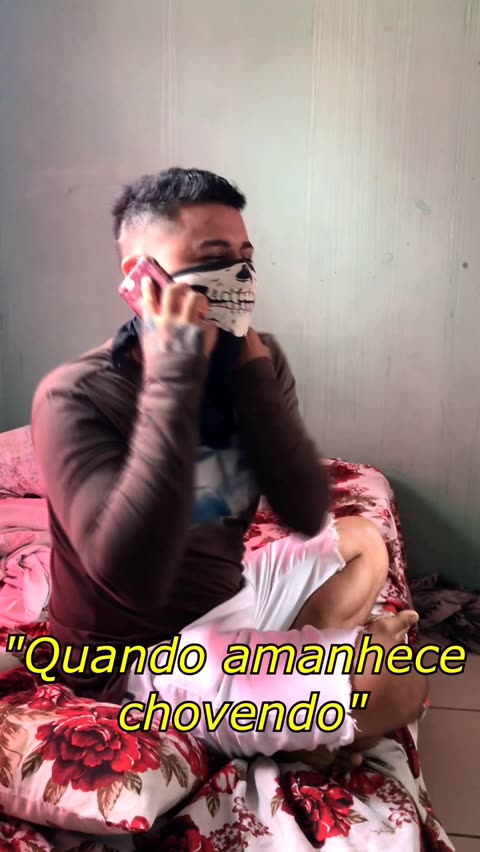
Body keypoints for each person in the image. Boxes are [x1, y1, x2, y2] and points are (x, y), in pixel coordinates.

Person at [32, 168, 425, 760]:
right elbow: (131, 576)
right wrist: (173, 375)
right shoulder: (75, 396)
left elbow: (304, 508)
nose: (239, 278)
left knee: (363, 540)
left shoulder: (254, 363)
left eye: (246, 259)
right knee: (398, 688)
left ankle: (295, 683)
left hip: (230, 598)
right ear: (141, 276)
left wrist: (254, 378)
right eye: (214, 259)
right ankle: (301, 710)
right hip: (140, 654)